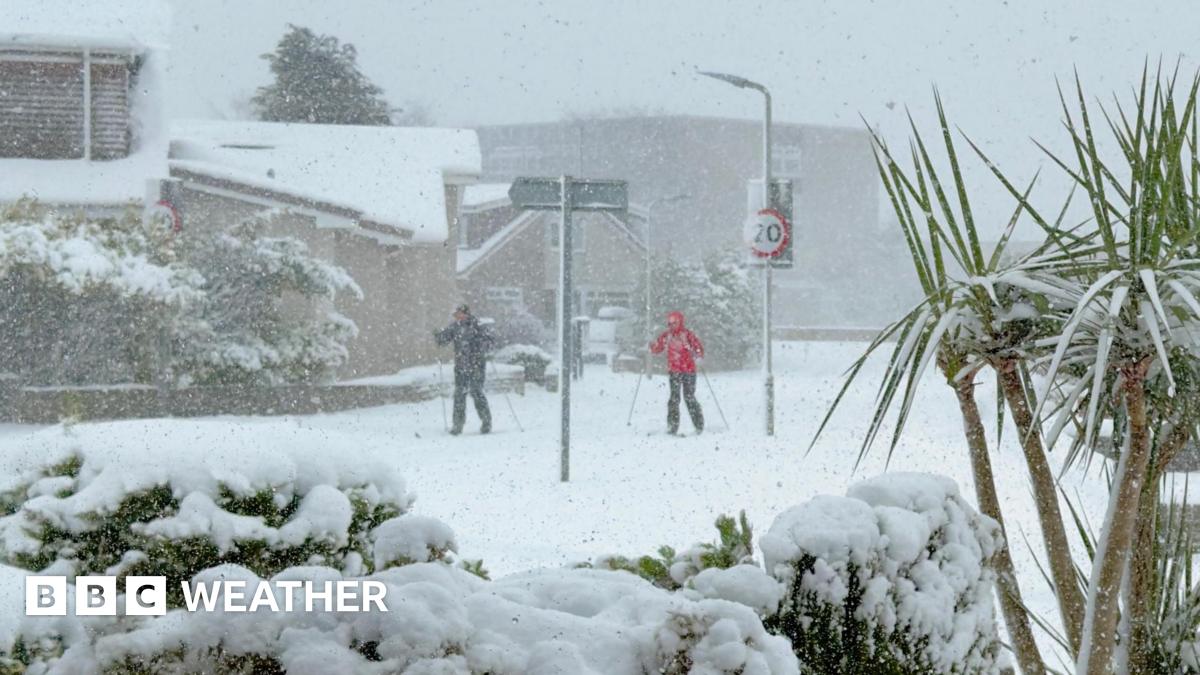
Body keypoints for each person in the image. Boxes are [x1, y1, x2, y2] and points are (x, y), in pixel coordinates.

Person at [434, 304, 494, 435]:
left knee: (476, 392)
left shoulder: (477, 326)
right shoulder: (455, 327)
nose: (457, 317)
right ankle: (457, 425)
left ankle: (486, 422)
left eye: (459, 314)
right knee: (459, 395)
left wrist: (480, 345)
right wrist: (438, 337)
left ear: (465, 313)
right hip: (461, 367)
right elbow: (444, 340)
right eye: (456, 315)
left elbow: (489, 342)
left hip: (477, 365)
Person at [649, 311, 704, 434]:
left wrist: (698, 355)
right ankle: (672, 427)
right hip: (674, 371)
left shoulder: (687, 335)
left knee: (689, 397)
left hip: (689, 371)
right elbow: (658, 347)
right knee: (674, 398)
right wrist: (652, 347)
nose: (671, 326)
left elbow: (697, 347)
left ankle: (699, 425)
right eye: (669, 323)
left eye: (674, 323)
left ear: (680, 322)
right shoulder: (667, 336)